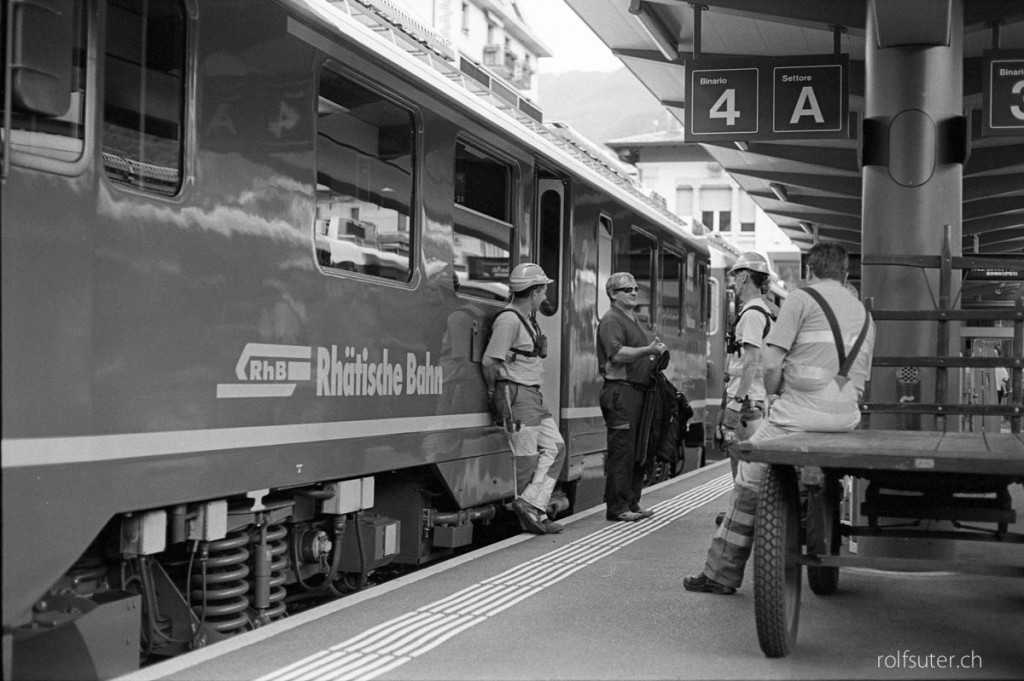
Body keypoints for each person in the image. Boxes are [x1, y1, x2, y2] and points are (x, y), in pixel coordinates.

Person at [685, 242, 875, 594]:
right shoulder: (864, 314)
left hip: (797, 419)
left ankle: (721, 574)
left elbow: (770, 365)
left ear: (810, 271)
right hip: (846, 420)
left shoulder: (802, 300)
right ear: (846, 273)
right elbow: (861, 377)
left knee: (748, 479)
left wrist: (775, 391)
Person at [482, 263, 566, 535]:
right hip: (517, 394)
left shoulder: (525, 318)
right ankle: (530, 515)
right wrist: (494, 393)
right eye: (543, 291)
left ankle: (531, 502)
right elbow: (489, 361)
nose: (544, 297)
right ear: (534, 292)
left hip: (532, 395)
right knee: (526, 458)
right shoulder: (508, 320)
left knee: (556, 448)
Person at [597, 272, 668, 522]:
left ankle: (632, 501)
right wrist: (648, 350)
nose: (634, 292)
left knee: (638, 448)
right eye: (628, 289)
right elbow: (616, 354)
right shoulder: (611, 320)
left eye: (636, 288)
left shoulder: (631, 317)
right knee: (622, 450)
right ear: (613, 294)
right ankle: (616, 508)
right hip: (620, 392)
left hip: (636, 392)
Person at [717, 253, 776, 476]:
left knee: (745, 465)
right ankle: (739, 509)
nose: (733, 282)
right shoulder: (759, 310)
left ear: (744, 276)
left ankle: (744, 510)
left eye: (735, 276)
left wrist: (736, 402)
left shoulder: (752, 314)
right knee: (744, 462)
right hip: (749, 399)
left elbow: (751, 362)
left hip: (746, 401)